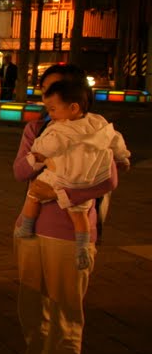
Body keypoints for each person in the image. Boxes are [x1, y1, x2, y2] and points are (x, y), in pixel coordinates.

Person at [8, 63, 122, 354]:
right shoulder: (38, 128)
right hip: (30, 230)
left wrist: (58, 195)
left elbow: (108, 181)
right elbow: (20, 171)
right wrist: (43, 159)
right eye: (45, 95)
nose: (48, 103)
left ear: (76, 99)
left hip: (68, 236)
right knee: (31, 303)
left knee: (64, 311)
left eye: (55, 95)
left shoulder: (95, 133)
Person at [13, 79, 130, 242]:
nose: (50, 113)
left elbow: (109, 181)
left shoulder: (59, 128)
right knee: (79, 214)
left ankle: (26, 226)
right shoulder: (99, 124)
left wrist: (38, 155)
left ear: (73, 106)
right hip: (81, 180)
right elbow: (114, 138)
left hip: (62, 224)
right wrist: (123, 156)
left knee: (34, 194)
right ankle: (82, 246)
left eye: (52, 108)